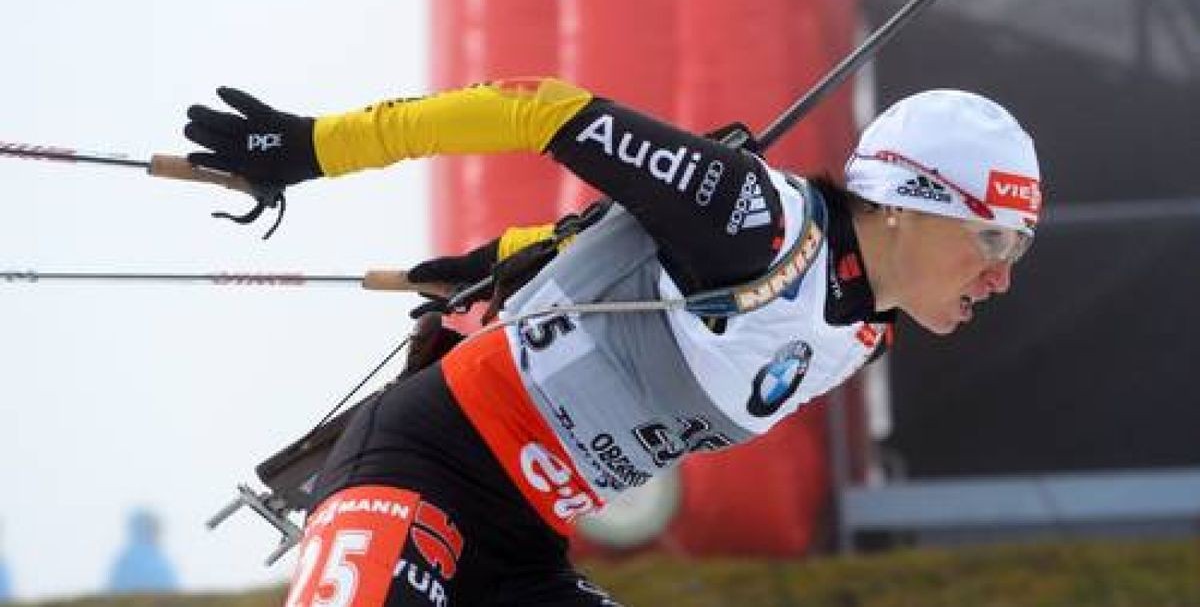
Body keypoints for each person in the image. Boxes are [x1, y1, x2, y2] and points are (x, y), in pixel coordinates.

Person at [184, 77, 1041, 606]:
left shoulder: (861, 332)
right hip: (420, 472)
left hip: (519, 552)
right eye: (993, 238)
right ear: (903, 201)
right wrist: (313, 146)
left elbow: (619, 251)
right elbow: (539, 108)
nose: (1002, 275)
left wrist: (509, 258)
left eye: (1020, 248)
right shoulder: (758, 219)